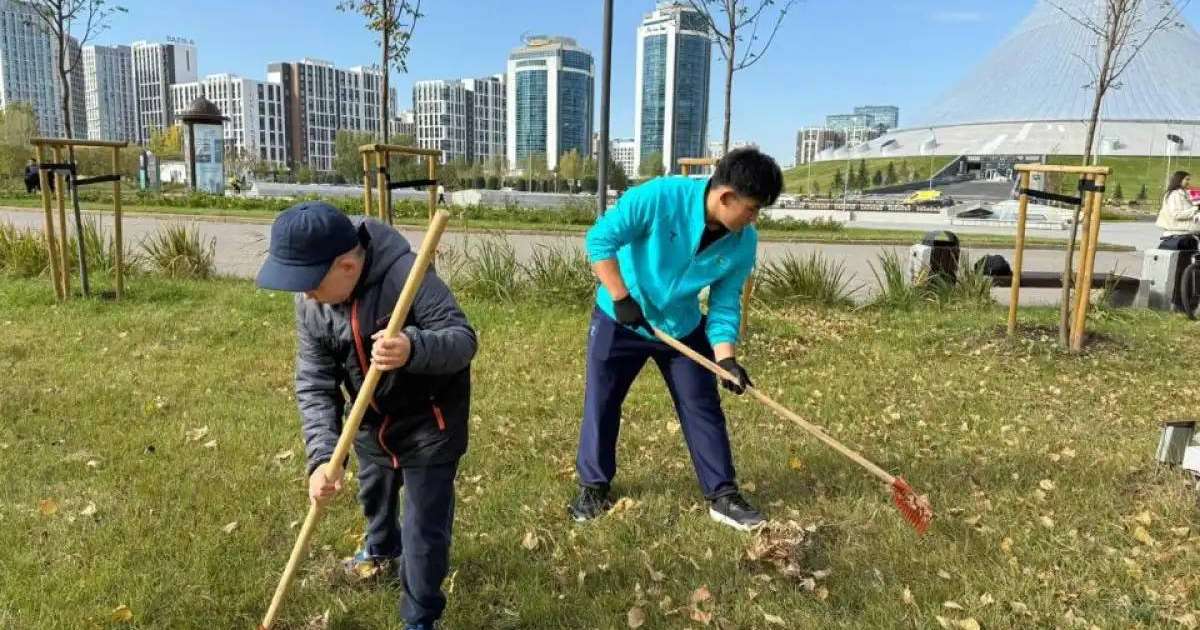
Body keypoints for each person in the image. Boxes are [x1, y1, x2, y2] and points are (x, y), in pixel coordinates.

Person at [256, 201, 477, 630]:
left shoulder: (404, 276)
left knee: (422, 534)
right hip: (372, 427)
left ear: (345, 266)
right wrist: (323, 458)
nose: (304, 295)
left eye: (309, 283)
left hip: (430, 425)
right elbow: (315, 382)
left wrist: (413, 348)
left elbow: (462, 339)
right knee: (374, 495)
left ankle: (419, 616)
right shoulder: (312, 306)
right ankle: (379, 550)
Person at [568, 147, 784, 532]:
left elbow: (724, 303)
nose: (754, 218)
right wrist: (621, 297)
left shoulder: (742, 242)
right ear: (725, 197)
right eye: (751, 208)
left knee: (702, 405)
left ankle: (723, 495)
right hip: (622, 318)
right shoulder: (659, 197)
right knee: (602, 401)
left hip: (680, 327)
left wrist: (725, 358)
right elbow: (599, 240)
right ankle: (594, 487)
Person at [1156, 170, 1199, 239]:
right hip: (1179, 227)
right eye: (1187, 179)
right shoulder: (1175, 195)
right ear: (1179, 180)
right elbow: (1176, 215)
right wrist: (1196, 209)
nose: (1189, 182)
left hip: (1183, 226)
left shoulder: (1182, 193)